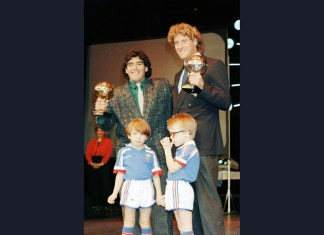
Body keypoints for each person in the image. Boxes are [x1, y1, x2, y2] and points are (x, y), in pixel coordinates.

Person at [95, 48, 174, 234]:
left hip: (159, 156)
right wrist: (100, 111)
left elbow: (174, 111)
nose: (134, 67)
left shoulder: (162, 85)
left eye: (139, 63)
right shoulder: (115, 93)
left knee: (161, 211)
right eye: (130, 64)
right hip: (129, 161)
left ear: (146, 68)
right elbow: (106, 125)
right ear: (125, 69)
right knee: (131, 217)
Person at [167, 22, 232, 235]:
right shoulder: (178, 75)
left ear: (196, 41)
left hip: (203, 145)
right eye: (176, 42)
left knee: (207, 201)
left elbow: (225, 101)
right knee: (189, 202)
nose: (179, 45)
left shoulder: (213, 65)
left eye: (184, 40)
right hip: (182, 148)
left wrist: (204, 87)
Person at [108, 118, 164, 235]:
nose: (138, 137)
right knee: (129, 221)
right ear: (129, 135)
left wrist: (159, 194)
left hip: (147, 188)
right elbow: (120, 175)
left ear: (147, 137)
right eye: (135, 133)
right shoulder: (123, 152)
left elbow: (156, 176)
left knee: (145, 222)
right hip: (131, 187)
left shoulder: (151, 153)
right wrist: (114, 193)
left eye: (142, 134)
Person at [160, 113, 200, 235]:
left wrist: (167, 149)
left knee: (185, 227)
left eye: (174, 133)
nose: (171, 137)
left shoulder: (188, 148)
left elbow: (172, 168)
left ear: (187, 132)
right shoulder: (184, 148)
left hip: (180, 187)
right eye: (170, 133)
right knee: (182, 227)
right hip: (176, 187)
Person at [85, 126, 114, 213]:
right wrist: (91, 163)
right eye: (98, 130)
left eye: (102, 130)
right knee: (94, 185)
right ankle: (96, 205)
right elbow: (88, 153)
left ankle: (109, 205)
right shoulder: (91, 142)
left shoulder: (108, 142)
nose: (100, 132)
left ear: (104, 132)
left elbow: (108, 154)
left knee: (105, 184)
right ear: (96, 132)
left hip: (103, 164)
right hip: (92, 164)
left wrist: (101, 163)